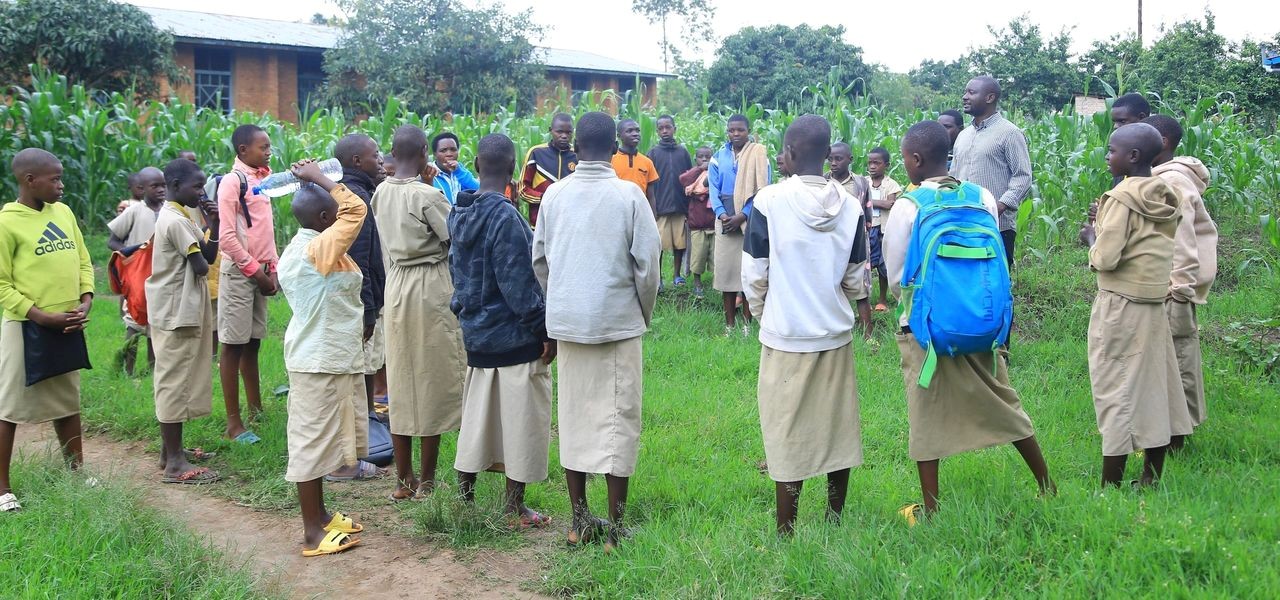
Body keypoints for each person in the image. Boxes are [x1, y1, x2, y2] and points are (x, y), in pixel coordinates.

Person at [884, 121, 1055, 523]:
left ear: (915, 159)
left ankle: (930, 509)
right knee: (1004, 400)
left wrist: (917, 306)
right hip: (981, 321)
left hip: (926, 329)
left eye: (905, 157)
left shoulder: (909, 205)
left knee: (926, 415)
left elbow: (896, 275)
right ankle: (1046, 484)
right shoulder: (981, 196)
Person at [532, 112, 660, 552]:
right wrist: (642, 313)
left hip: (569, 324)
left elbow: (541, 260)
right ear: (612, 148)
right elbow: (647, 267)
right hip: (617, 323)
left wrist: (562, 302)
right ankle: (617, 528)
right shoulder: (628, 195)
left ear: (575, 148)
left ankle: (579, 520)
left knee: (574, 418)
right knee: (619, 420)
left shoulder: (554, 195)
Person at [742, 115, 872, 535]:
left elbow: (754, 275)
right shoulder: (851, 206)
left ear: (793, 154)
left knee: (785, 430)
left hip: (785, 335)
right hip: (834, 335)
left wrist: (767, 314)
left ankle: (787, 528)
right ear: (826, 154)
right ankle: (834, 520)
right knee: (838, 429)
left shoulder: (768, 202)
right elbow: (856, 280)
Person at [449, 133, 556, 529]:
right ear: (513, 170)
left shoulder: (457, 212)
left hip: (476, 334)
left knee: (476, 419)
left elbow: (456, 273)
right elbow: (518, 285)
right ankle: (513, 506)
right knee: (520, 421)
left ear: (476, 165)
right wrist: (543, 329)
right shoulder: (505, 217)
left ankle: (465, 497)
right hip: (512, 339)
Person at [1078, 123, 1190, 488]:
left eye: (1112, 151)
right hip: (1154, 303)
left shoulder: (1121, 198)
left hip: (1119, 305)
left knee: (1115, 389)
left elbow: (1107, 258)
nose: (1107, 156)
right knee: (1157, 387)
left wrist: (1092, 236)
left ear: (1134, 156)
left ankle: (1110, 486)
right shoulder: (1165, 193)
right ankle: (1150, 477)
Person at [276, 159, 368, 557]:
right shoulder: (316, 249)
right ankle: (312, 532)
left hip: (331, 358)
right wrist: (318, 177)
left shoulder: (314, 245)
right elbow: (357, 209)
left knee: (326, 438)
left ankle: (323, 514)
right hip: (317, 361)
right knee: (311, 444)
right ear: (326, 216)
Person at [0, 148, 95, 513]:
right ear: (29, 181)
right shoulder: (8, 223)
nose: (61, 185)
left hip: (67, 322)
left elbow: (83, 258)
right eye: (53, 179)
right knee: (9, 406)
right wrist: (39, 315)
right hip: (26, 326)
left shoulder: (64, 213)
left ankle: (76, 471)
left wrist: (85, 297)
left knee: (67, 401)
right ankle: (3, 488)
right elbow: (3, 284)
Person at [373, 125, 465, 501]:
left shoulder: (380, 192)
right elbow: (455, 235)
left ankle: (403, 479)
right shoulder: (428, 195)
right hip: (429, 286)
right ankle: (426, 481)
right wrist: (437, 190)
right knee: (431, 379)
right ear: (426, 152)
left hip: (396, 286)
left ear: (393, 153)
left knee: (401, 377)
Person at [146, 158, 220, 484]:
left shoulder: (184, 215)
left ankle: (170, 453)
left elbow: (209, 255)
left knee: (179, 378)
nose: (201, 191)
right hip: (175, 311)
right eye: (196, 186)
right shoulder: (174, 221)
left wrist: (213, 224)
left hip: (182, 307)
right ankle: (175, 464)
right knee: (173, 383)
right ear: (176, 187)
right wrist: (205, 243)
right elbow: (203, 266)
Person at [1145, 115, 1217, 452]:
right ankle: (1168, 431)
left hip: (1175, 288)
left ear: (1161, 142)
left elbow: (1183, 241)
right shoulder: (1158, 179)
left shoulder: (1172, 182)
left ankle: (1178, 437)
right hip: (1164, 285)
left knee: (1178, 358)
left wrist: (1181, 289)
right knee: (1168, 359)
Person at [329, 133, 387, 481]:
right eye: (374, 156)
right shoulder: (354, 199)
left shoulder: (358, 193)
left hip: (361, 302)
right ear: (355, 162)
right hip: (357, 304)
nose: (380, 161)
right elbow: (360, 261)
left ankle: (360, 448)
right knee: (354, 379)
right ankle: (346, 457)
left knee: (361, 375)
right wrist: (367, 310)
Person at [217, 124, 279, 444]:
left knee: (253, 342)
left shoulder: (262, 180)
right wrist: (256, 272)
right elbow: (227, 237)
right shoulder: (233, 182)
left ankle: (256, 409)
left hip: (261, 272)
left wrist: (274, 268)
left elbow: (265, 231)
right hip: (241, 274)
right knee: (232, 345)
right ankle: (233, 422)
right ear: (243, 150)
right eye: (262, 147)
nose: (268, 151)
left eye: (269, 147)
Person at [951, 76, 1032, 267]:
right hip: (962, 224)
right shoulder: (963, 136)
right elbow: (953, 176)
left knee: (996, 285)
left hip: (997, 227)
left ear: (989, 98)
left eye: (971, 92)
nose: (965, 97)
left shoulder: (1009, 133)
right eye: (965, 92)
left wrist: (998, 207)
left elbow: (1023, 176)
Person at [709, 114, 771, 336]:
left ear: (748, 131)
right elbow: (713, 190)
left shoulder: (758, 156)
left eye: (740, 130)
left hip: (749, 218)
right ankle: (729, 325)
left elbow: (764, 189)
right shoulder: (718, 157)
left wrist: (743, 215)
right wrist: (722, 214)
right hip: (725, 219)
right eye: (731, 130)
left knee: (748, 273)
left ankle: (746, 324)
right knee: (727, 273)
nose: (735, 134)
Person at [108, 165, 166, 375]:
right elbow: (113, 241)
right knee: (134, 323)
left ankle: (153, 371)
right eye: (155, 186)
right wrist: (132, 252)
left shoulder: (169, 210)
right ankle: (127, 369)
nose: (161, 190)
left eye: (163, 185)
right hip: (138, 275)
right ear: (142, 188)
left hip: (162, 275)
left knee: (155, 326)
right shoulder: (135, 211)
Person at [647, 115, 694, 288]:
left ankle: (676, 275)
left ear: (675, 128)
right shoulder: (652, 153)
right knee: (658, 244)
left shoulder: (683, 152)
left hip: (680, 206)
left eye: (668, 127)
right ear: (658, 131)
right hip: (660, 207)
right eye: (661, 128)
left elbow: (690, 177)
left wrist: (689, 205)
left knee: (679, 244)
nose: (665, 131)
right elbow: (648, 182)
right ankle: (658, 278)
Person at [518, 113, 577, 227]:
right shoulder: (536, 153)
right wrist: (546, 198)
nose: (564, 136)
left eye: (568, 132)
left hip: (568, 225)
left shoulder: (576, 156)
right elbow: (523, 190)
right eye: (559, 132)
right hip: (540, 224)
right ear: (551, 130)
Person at [866, 147, 902, 312]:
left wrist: (868, 201)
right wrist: (878, 202)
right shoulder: (864, 182)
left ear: (886, 165)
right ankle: (864, 298)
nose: (872, 166)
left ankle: (882, 299)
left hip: (882, 230)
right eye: (870, 163)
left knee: (882, 266)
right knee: (866, 265)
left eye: (877, 163)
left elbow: (890, 204)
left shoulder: (890, 184)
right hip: (866, 228)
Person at [679, 146, 715, 299]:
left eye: (708, 157)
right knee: (698, 257)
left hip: (714, 224)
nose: (705, 160)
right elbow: (683, 180)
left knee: (716, 258)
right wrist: (699, 169)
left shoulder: (714, 173)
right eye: (701, 157)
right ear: (696, 159)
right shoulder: (693, 175)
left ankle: (717, 284)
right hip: (697, 225)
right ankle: (697, 283)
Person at [612, 118, 660, 207]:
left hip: (640, 211)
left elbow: (651, 196)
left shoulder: (647, 162)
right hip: (617, 209)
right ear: (619, 136)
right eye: (629, 131)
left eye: (637, 131)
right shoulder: (610, 161)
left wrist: (652, 218)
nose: (635, 134)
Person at [430, 132, 480, 205]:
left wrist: (459, 172)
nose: (449, 154)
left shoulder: (462, 172)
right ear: (435, 154)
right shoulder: (429, 174)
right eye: (443, 150)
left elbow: (478, 189)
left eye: (453, 150)